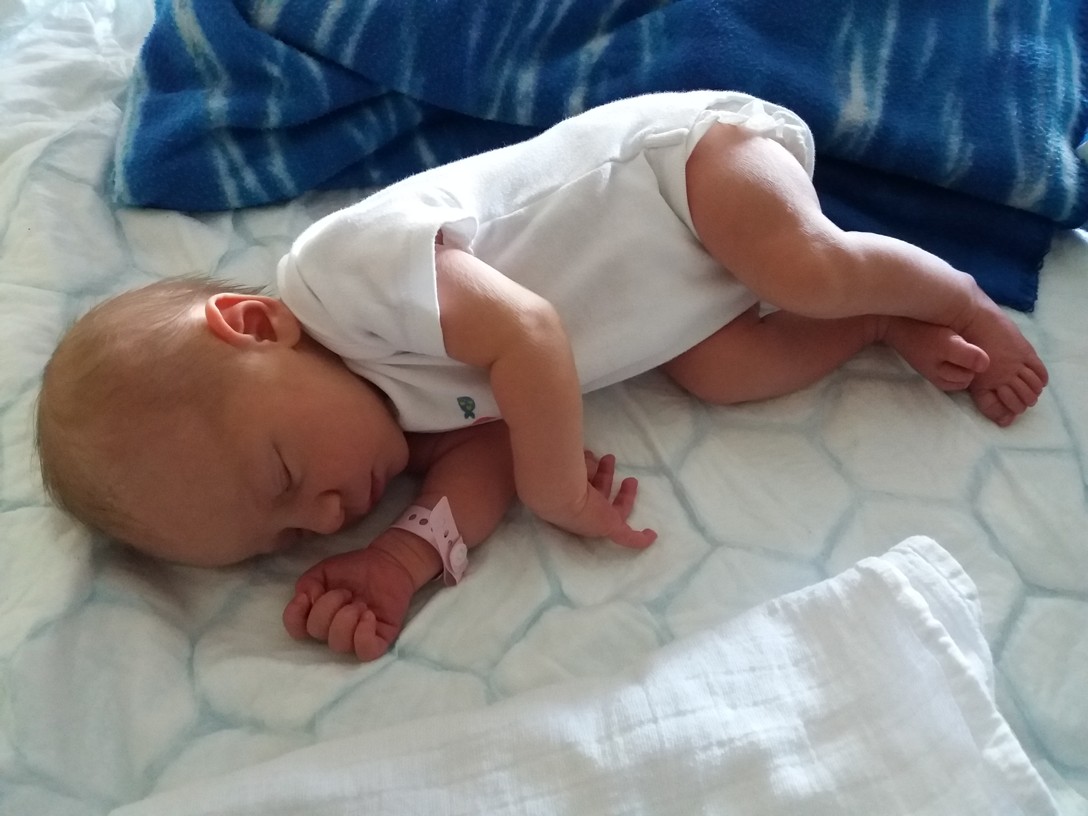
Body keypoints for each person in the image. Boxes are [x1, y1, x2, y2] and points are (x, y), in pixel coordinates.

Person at [36, 91, 1047, 661]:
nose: (329, 510)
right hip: (674, 302)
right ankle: (879, 318)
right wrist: (397, 563)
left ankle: (952, 296)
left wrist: (553, 486)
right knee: (727, 372)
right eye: (291, 535)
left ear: (255, 326)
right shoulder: (397, 419)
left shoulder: (339, 278)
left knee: (801, 268)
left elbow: (525, 333)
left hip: (684, 169)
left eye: (286, 478)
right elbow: (482, 460)